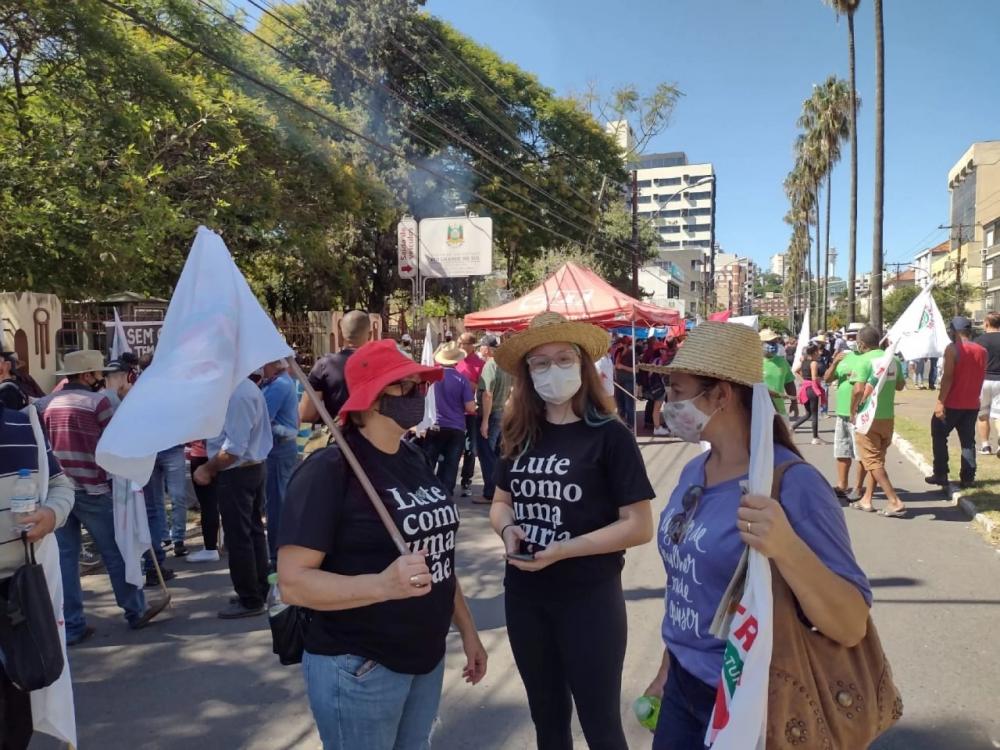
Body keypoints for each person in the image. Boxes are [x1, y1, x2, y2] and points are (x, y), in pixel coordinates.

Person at [644, 322, 871, 749]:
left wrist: (786, 547)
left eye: (677, 390)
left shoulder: (794, 486)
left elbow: (851, 623)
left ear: (721, 395)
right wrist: (666, 670)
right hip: (682, 692)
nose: (666, 404)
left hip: (755, 705)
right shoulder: (696, 471)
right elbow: (687, 589)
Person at [277, 339, 486, 750]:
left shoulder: (413, 458)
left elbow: (438, 558)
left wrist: (468, 631)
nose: (418, 395)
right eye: (405, 387)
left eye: (419, 386)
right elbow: (293, 583)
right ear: (371, 399)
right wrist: (382, 586)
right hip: (361, 665)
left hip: (425, 658)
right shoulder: (329, 471)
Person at [488, 312, 654, 750]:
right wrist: (508, 532)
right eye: (539, 363)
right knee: (548, 721)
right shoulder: (520, 431)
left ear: (583, 367)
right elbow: (501, 502)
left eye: (563, 359)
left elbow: (639, 526)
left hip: (589, 599)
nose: (551, 370)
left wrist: (566, 550)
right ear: (527, 375)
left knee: (600, 725)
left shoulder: (610, 436)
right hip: (525, 598)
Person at [37, 350, 168, 643]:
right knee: (115, 553)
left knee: (66, 560)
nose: (102, 379)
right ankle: (135, 611)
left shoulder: (45, 404)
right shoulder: (101, 402)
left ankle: (72, 624)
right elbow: (116, 442)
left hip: (57, 493)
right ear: (87, 376)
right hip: (94, 489)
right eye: (98, 374)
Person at [0, 399, 76, 748]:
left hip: (18, 593)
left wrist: (51, 514)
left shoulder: (24, 426)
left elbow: (61, 484)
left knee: (19, 704)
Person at [194, 374, 274, 618]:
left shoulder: (238, 394)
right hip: (248, 469)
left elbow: (233, 449)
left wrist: (207, 468)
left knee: (240, 536)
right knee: (252, 532)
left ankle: (251, 598)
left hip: (238, 472)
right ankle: (257, 590)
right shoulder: (243, 389)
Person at [849, 326, 907, 516]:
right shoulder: (893, 360)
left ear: (861, 343)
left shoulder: (863, 360)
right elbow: (900, 385)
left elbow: (858, 390)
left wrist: (852, 411)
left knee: (872, 461)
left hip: (868, 417)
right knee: (877, 460)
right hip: (887, 417)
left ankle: (894, 500)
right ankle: (867, 499)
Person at [925, 316, 986, 488]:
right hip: (972, 402)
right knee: (968, 441)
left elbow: (948, 377)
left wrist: (940, 402)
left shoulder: (952, 349)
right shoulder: (982, 350)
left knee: (939, 434)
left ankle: (941, 473)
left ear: (954, 331)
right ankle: (968, 477)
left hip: (953, 402)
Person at [422, 342, 476, 498]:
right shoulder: (462, 380)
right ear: (456, 361)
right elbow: (470, 407)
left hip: (435, 425)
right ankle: (445, 496)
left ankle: (427, 493)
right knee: (451, 465)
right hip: (456, 427)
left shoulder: (431, 378)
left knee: (428, 462)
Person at [261, 359, 300, 568]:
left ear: (275, 364)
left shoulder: (278, 386)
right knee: (277, 500)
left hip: (278, 449)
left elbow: (262, 417)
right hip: (280, 448)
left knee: (276, 503)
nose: (261, 369)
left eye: (265, 364)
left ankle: (277, 556)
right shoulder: (280, 383)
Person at [300, 310, 371, 424]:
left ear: (340, 334)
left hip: (338, 436)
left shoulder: (324, 366)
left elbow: (306, 414)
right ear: (370, 335)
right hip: (375, 438)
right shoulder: (384, 366)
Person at [824, 344, 868, 501]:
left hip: (859, 413)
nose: (851, 341)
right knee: (842, 450)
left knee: (861, 453)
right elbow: (827, 379)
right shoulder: (843, 358)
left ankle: (858, 487)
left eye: (854, 337)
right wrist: (835, 363)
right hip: (842, 413)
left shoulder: (867, 359)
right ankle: (842, 485)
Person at [474, 336, 511, 506]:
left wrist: (485, 421)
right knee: (496, 455)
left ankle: (490, 493)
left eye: (481, 347)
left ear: (487, 349)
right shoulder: (504, 365)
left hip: (490, 413)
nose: (480, 350)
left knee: (486, 454)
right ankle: (499, 490)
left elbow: (487, 394)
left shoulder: (490, 365)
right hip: (501, 411)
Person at [456, 332, 486, 497]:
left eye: (463, 343)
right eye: (459, 343)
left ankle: (466, 480)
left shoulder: (479, 364)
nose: (460, 346)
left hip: (470, 412)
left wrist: (463, 382)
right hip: (454, 411)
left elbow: (481, 388)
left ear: (471, 345)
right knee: (453, 448)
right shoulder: (454, 360)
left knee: (471, 448)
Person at [186, 440, 220, 562]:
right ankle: (222, 542)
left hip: (201, 455)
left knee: (208, 504)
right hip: (220, 454)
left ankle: (210, 548)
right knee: (219, 501)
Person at [791, 343, 825, 444]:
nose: (819, 353)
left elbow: (795, 371)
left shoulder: (803, 361)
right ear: (814, 352)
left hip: (805, 388)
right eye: (818, 351)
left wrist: (803, 381)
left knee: (808, 413)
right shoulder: (813, 363)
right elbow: (814, 378)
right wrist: (821, 379)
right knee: (814, 414)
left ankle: (792, 427)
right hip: (812, 389)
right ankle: (815, 438)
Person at [976, 311, 1000, 455]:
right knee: (999, 415)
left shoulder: (979, 340)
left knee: (982, 414)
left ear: (986, 323)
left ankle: (985, 446)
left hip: (983, 380)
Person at [760, 329, 795, 419]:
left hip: (779, 411)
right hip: (758, 412)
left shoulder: (782, 362)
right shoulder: (754, 362)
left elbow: (789, 382)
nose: (773, 345)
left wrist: (794, 403)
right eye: (769, 342)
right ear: (760, 344)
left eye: (775, 342)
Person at [614, 336, 636, 428]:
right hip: (619, 381)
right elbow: (616, 366)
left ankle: (630, 425)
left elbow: (636, 370)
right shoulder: (618, 353)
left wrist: (622, 367)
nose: (617, 346)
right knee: (620, 404)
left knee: (628, 404)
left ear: (625, 344)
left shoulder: (631, 354)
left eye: (619, 344)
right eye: (617, 344)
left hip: (628, 381)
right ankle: (621, 423)